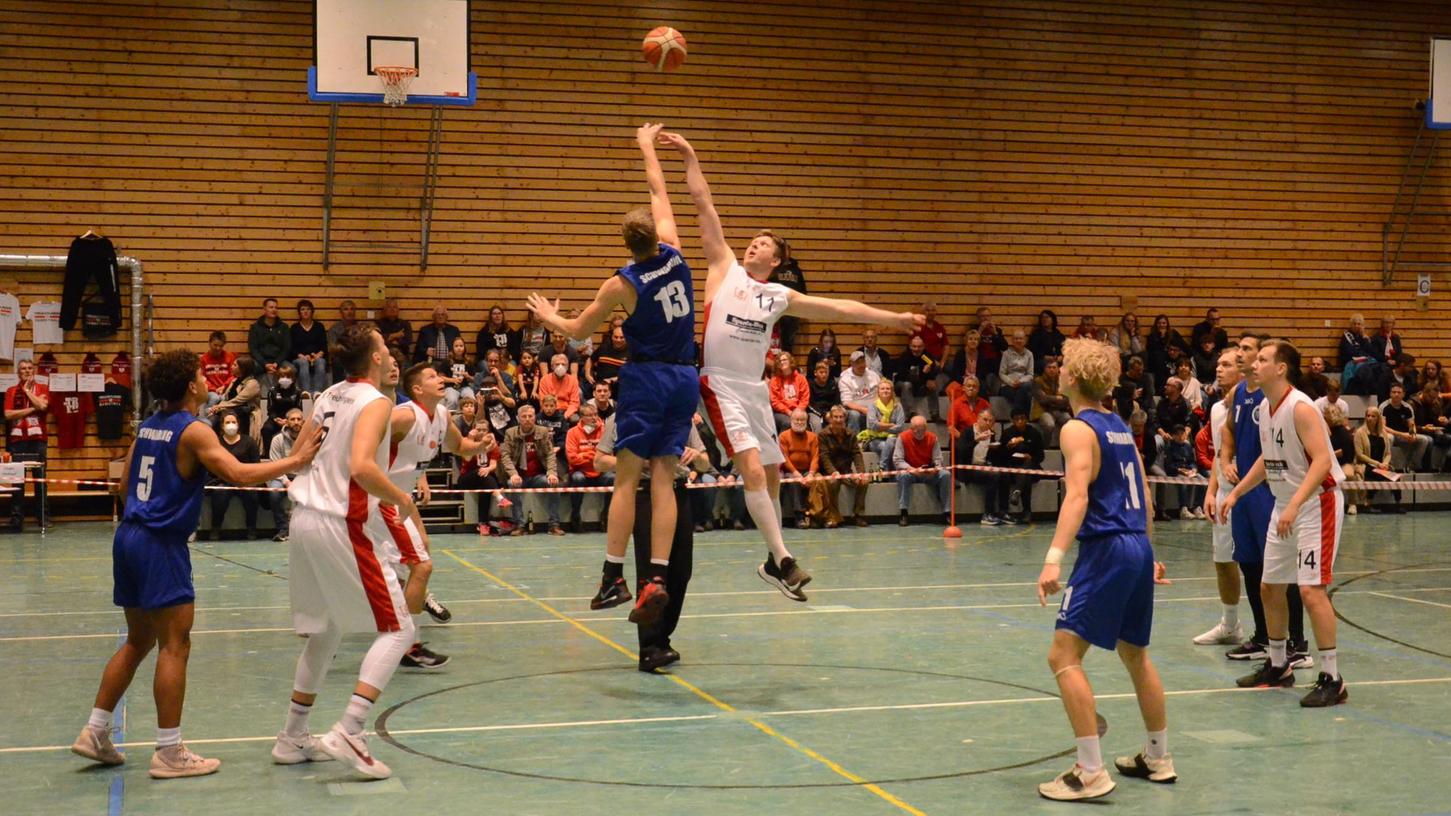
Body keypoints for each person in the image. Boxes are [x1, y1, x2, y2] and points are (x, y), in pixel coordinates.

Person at [656, 127, 922, 601]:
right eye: (752, 242)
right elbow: (703, 205)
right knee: (754, 471)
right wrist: (690, 156)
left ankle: (771, 558)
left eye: (762, 245)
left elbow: (840, 309)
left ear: (776, 261)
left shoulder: (779, 295)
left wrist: (895, 318)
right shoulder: (724, 268)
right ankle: (783, 559)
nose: (753, 246)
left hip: (755, 389)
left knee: (773, 475)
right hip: (719, 383)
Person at [72, 349, 318, 778]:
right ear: (190, 385)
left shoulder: (147, 428)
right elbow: (239, 474)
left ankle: (95, 730)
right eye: (201, 374)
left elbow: (124, 485)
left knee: (138, 641)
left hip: (129, 537)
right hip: (159, 545)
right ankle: (169, 751)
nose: (206, 380)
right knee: (174, 644)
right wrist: (297, 461)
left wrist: (149, 514)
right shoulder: (194, 430)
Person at [526, 124, 700, 625]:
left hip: (646, 379)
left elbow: (577, 330)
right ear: (655, 234)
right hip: (684, 376)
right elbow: (657, 189)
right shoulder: (675, 252)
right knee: (664, 478)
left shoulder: (621, 285)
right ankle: (658, 578)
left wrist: (545, 315)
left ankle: (613, 575)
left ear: (625, 243)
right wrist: (649, 146)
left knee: (627, 479)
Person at [273, 325, 420, 780]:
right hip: (339, 520)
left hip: (303, 516)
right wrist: (402, 497)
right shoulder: (376, 402)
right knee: (400, 629)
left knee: (327, 629)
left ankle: (292, 736)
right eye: (383, 346)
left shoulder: (330, 394)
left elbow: (299, 454)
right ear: (374, 358)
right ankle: (351, 729)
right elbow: (361, 467)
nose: (389, 352)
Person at [1034, 337, 1173, 801]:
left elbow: (1077, 496)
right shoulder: (1116, 423)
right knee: (1135, 654)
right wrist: (1148, 552)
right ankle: (1158, 756)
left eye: (1063, 365)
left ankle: (1089, 771)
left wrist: (1053, 558)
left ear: (1070, 377)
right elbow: (1146, 496)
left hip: (1107, 548)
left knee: (1062, 656)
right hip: (1134, 542)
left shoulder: (1078, 428)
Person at [1219, 340, 1348, 707]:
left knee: (1311, 590)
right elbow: (1267, 458)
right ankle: (1279, 666)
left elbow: (1322, 461)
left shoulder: (1301, 407)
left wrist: (1293, 504)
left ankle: (1332, 678)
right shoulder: (1265, 406)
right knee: (1269, 587)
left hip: (1315, 504)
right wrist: (1237, 492)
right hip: (1286, 504)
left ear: (1281, 369)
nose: (1253, 364)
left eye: (1262, 359)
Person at [1209, 333, 1310, 667]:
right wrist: (1226, 461)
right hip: (1247, 494)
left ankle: (1297, 641)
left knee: (1280, 571)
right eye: (1238, 349)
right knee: (1251, 565)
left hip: (1271, 491)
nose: (1241, 354)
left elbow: (1272, 453)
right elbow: (1229, 431)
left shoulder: (1277, 399)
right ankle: (1263, 635)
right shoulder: (1239, 392)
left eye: (1247, 350)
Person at [384, 363, 486, 668]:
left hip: (401, 498)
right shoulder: (403, 415)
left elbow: (460, 447)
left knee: (419, 561)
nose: (440, 379)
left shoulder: (441, 416)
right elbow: (360, 439)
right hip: (379, 500)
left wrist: (480, 443)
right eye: (431, 377)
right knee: (418, 567)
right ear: (416, 389)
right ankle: (404, 645)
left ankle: (403, 641)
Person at [594, 411, 697, 672]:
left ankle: (663, 639)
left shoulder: (679, 414)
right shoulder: (624, 416)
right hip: (642, 495)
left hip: (679, 494)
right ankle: (649, 648)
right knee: (650, 572)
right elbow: (599, 461)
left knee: (681, 572)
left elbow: (706, 462)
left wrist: (696, 456)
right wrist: (634, 462)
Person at [1192, 348, 1245, 646]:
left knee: (1259, 566)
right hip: (1224, 495)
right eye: (1219, 364)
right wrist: (1211, 491)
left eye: (1226, 365)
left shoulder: (1256, 404)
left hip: (1250, 494)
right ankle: (1230, 624)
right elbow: (1218, 456)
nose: (1219, 369)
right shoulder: (1215, 409)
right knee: (1223, 560)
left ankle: (1277, 635)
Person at [500, 404, 564, 535]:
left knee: (554, 484)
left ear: (535, 417)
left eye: (530, 416)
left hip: (538, 476)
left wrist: (551, 473)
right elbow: (505, 456)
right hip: (519, 476)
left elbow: (550, 454)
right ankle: (519, 524)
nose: (528, 419)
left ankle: (554, 524)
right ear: (518, 418)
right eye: (524, 416)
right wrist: (513, 474)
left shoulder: (543, 431)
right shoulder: (510, 433)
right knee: (512, 484)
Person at [4, 358, 51, 529]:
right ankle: (17, 519)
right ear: (18, 372)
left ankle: (43, 518)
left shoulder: (42, 388)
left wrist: (27, 391)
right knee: (18, 481)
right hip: (17, 441)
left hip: (38, 441)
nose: (27, 371)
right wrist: (32, 408)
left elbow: (43, 405)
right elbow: (8, 415)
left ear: (34, 371)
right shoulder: (10, 391)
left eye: (30, 368)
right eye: (23, 368)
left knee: (40, 480)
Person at [206, 412, 261, 540]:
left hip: (245, 481)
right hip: (222, 480)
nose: (231, 425)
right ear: (222, 426)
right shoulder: (216, 443)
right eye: (227, 422)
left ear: (238, 424)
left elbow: (256, 464)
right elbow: (210, 466)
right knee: (220, 494)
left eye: (233, 422)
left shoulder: (249, 442)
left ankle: (251, 529)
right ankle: (215, 528)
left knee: (251, 495)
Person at [818, 404, 870, 528]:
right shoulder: (823, 435)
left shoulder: (851, 434)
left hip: (846, 472)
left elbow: (857, 454)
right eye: (835, 417)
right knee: (832, 483)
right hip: (829, 473)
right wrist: (833, 472)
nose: (838, 420)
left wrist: (861, 472)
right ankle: (833, 516)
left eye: (841, 417)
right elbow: (824, 456)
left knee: (864, 482)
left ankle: (858, 515)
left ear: (845, 419)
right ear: (830, 418)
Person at [893, 415, 951, 527]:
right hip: (910, 471)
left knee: (945, 474)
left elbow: (938, 458)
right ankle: (903, 512)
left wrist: (935, 468)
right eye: (916, 429)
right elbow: (897, 460)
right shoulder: (902, 437)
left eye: (922, 429)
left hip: (927, 472)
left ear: (926, 428)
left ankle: (947, 512)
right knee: (903, 476)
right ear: (911, 428)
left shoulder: (932, 438)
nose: (919, 432)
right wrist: (912, 470)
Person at [992, 408, 1046, 524]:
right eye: (1017, 419)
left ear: (1027, 419)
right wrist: (1007, 448)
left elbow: (1041, 456)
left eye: (1022, 419)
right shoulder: (1007, 433)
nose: (1020, 422)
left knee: (1026, 471)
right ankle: (1024, 511)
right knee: (1021, 475)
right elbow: (1000, 456)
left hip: (1032, 466)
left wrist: (1031, 457)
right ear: (1012, 421)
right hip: (1013, 466)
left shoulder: (1034, 433)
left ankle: (1018, 494)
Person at [565, 402, 613, 531]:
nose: (594, 418)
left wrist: (585, 455)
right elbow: (572, 458)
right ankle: (575, 515)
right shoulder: (572, 432)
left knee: (612, 478)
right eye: (590, 415)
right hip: (580, 472)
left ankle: (606, 516)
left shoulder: (604, 431)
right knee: (577, 479)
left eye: (596, 415)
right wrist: (593, 455)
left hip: (600, 472)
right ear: (581, 417)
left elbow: (608, 456)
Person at [777, 409, 820, 528]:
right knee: (793, 482)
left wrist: (811, 474)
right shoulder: (783, 436)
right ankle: (799, 517)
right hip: (790, 471)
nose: (800, 422)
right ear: (791, 420)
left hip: (807, 470)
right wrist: (796, 473)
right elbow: (784, 458)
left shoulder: (812, 437)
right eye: (797, 419)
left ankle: (818, 516)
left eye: (802, 420)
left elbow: (815, 457)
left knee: (819, 481)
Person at [266, 407, 304, 542]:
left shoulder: (309, 440)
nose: (296, 422)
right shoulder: (277, 440)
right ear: (286, 422)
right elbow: (275, 464)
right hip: (282, 477)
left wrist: (300, 481)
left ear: (303, 422)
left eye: (299, 419)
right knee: (273, 492)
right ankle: (283, 529)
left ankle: (303, 530)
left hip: (303, 476)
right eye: (292, 419)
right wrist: (287, 481)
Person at [1353, 405, 1399, 513]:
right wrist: (1377, 464)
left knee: (1396, 477)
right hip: (1366, 464)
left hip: (1382, 465)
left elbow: (1388, 453)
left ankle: (1398, 503)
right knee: (1373, 475)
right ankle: (1367, 504)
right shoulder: (1360, 433)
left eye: (1373, 416)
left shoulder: (1383, 433)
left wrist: (1385, 463)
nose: (1370, 418)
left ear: (1378, 418)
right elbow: (1360, 454)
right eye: (1368, 416)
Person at [209, 355, 264, 442]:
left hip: (246, 412)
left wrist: (220, 407)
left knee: (223, 415)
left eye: (235, 365)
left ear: (242, 368)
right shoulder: (234, 381)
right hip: (229, 409)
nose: (231, 367)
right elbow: (226, 398)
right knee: (213, 418)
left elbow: (238, 400)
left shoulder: (253, 383)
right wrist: (218, 406)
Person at [860, 378, 907, 469]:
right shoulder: (872, 406)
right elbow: (872, 426)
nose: (885, 391)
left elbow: (900, 427)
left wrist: (881, 426)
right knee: (888, 447)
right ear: (878, 392)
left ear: (892, 391)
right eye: (882, 389)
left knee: (891, 441)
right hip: (875, 439)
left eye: (888, 389)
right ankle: (891, 475)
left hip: (893, 439)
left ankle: (882, 467)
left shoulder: (898, 406)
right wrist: (890, 425)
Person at [1381, 383, 1429, 472]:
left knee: (1424, 440)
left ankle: (1412, 466)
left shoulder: (1407, 407)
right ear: (1390, 394)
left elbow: (1411, 424)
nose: (1396, 394)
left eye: (1399, 392)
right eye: (1394, 392)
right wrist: (1401, 434)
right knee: (1389, 438)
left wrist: (1413, 433)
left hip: (1403, 435)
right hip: (1388, 434)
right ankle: (1388, 466)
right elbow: (1382, 427)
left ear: (1403, 394)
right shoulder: (1384, 407)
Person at [895, 334, 942, 422]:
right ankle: (911, 414)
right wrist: (922, 375)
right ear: (910, 346)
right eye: (914, 346)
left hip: (920, 385)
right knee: (907, 385)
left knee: (933, 385)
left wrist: (929, 375)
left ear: (923, 347)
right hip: (903, 385)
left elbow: (935, 370)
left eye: (919, 347)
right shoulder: (905, 357)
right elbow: (902, 376)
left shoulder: (926, 357)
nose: (916, 349)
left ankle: (935, 415)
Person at [290, 299, 328, 396]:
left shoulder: (319, 326)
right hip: (299, 358)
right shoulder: (294, 328)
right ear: (299, 312)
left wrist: (319, 354)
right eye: (302, 309)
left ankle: (317, 392)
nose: (305, 311)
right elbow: (291, 347)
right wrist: (301, 355)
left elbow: (324, 345)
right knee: (303, 362)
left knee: (321, 361)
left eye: (308, 309)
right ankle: (305, 392)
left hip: (316, 356)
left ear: (312, 311)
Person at [248, 297, 290, 387]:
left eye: (276, 307)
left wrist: (276, 363)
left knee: (292, 369)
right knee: (249, 368)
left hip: (279, 361)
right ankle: (253, 393)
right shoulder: (255, 327)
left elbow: (286, 348)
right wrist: (265, 364)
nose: (274, 310)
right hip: (260, 361)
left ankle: (287, 393)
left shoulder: (284, 327)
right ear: (264, 309)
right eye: (271, 307)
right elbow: (253, 349)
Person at [837, 349, 881, 432]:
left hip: (874, 407)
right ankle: (854, 442)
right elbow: (847, 402)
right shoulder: (845, 379)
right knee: (854, 415)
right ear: (852, 364)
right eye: (857, 363)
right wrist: (865, 410)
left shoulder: (873, 375)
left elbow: (880, 393)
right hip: (855, 409)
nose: (861, 365)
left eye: (863, 362)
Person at [1032, 359, 1073, 444]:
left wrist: (1049, 398)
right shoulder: (1037, 381)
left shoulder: (1063, 381)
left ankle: (1065, 449)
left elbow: (1067, 400)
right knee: (1049, 424)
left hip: (1060, 410)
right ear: (1044, 369)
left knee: (1069, 422)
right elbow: (1042, 399)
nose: (1051, 369)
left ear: (1058, 369)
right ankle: (1045, 447)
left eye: (1054, 367)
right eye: (1049, 367)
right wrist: (1056, 398)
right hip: (1043, 410)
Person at [768, 351, 811, 431]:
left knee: (803, 420)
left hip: (799, 410)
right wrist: (788, 412)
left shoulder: (801, 378)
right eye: (780, 361)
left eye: (784, 360)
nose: (782, 362)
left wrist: (798, 411)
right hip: (781, 412)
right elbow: (775, 402)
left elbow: (805, 398)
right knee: (788, 423)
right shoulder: (774, 380)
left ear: (790, 361)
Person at [998, 329, 1035, 416]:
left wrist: (1020, 382)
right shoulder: (1006, 354)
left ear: (1024, 340)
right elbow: (1001, 373)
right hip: (1008, 385)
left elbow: (1030, 374)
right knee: (1025, 395)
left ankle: (1016, 415)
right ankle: (1023, 417)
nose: (1018, 341)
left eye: (1020, 339)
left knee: (1025, 387)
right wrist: (1011, 383)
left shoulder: (1029, 354)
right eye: (1016, 338)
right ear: (1012, 340)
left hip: (1023, 383)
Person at [435, 336, 476, 411]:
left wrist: (468, 376)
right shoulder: (447, 361)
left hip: (465, 387)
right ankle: (449, 418)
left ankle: (468, 418)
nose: (459, 348)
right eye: (456, 346)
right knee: (452, 399)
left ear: (464, 347)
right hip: (450, 387)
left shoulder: (468, 361)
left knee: (471, 398)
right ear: (452, 348)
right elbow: (440, 377)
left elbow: (474, 379)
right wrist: (452, 380)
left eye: (461, 346)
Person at [538, 352, 583, 421]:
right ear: (552, 367)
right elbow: (543, 401)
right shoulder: (544, 380)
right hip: (550, 409)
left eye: (563, 364)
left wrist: (565, 416)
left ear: (567, 367)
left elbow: (575, 403)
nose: (560, 366)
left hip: (567, 410)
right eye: (557, 364)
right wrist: (553, 413)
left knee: (575, 419)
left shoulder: (573, 380)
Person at [201, 331, 236, 412]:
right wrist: (214, 389)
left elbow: (233, 375)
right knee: (214, 398)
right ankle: (206, 420)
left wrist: (224, 386)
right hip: (210, 391)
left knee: (225, 399)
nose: (218, 348)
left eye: (220, 346)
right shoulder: (203, 359)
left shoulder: (230, 357)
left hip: (226, 389)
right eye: (215, 345)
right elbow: (202, 378)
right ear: (209, 343)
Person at [326, 299, 358, 385]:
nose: (349, 312)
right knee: (337, 361)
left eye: (352, 309)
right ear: (341, 312)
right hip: (341, 358)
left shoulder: (361, 328)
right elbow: (332, 348)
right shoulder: (334, 329)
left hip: (358, 357)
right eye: (346, 309)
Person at [1028, 309, 1066, 374]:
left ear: (1053, 320)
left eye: (1047, 317)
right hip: (1041, 360)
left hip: (1056, 360)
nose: (1044, 319)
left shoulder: (1058, 334)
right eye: (1042, 317)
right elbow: (1032, 350)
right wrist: (1045, 357)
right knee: (1046, 365)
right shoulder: (1036, 334)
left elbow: (1065, 348)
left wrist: (1061, 356)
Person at [806, 360, 838, 431]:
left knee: (839, 419)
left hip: (830, 412)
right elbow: (810, 404)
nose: (824, 375)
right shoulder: (809, 384)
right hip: (815, 412)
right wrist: (824, 414)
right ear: (815, 373)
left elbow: (837, 401)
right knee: (817, 423)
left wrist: (833, 412)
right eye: (821, 372)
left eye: (826, 372)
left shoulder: (833, 384)